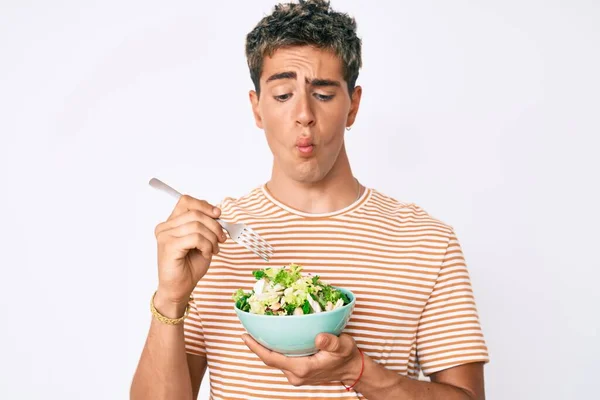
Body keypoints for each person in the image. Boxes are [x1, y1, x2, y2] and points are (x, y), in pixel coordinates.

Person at [130, 1, 489, 399]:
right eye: (283, 95)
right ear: (257, 108)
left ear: (353, 105)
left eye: (322, 93)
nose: (304, 114)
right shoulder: (211, 242)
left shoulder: (428, 241)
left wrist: (358, 370)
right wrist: (170, 297)